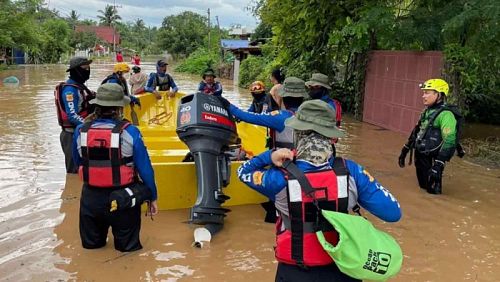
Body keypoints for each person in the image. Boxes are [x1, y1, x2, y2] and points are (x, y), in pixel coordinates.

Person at [237, 100, 401, 281]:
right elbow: (393, 213)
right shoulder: (352, 172)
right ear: (333, 138)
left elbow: (243, 172)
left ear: (297, 134)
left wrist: (270, 155)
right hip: (344, 269)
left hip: (295, 272)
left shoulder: (278, 178)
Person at [72, 83, 158, 252]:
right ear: (120, 107)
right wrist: (152, 197)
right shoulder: (131, 132)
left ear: (97, 105)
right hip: (123, 199)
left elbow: (78, 163)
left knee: (92, 248)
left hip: (90, 198)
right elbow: (145, 170)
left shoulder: (80, 130)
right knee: (128, 251)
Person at [398, 78, 463, 194]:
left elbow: (449, 140)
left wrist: (438, 165)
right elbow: (417, 131)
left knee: (432, 192)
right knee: (422, 187)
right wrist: (405, 149)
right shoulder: (427, 112)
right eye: (423, 92)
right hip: (422, 155)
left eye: (427, 93)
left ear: (439, 95)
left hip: (434, 159)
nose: (423, 96)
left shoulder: (446, 115)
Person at [227, 77, 307, 150]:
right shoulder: (310, 114)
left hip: (285, 159)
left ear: (284, 98)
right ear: (302, 98)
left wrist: (227, 105)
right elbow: (250, 111)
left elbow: (250, 116)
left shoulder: (279, 117)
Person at [54, 56, 95, 173]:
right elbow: (72, 115)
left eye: (89, 68)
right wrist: (91, 125)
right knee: (74, 172)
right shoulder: (70, 91)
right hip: (71, 135)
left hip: (82, 133)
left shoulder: (81, 87)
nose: (87, 71)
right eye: (85, 68)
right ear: (76, 70)